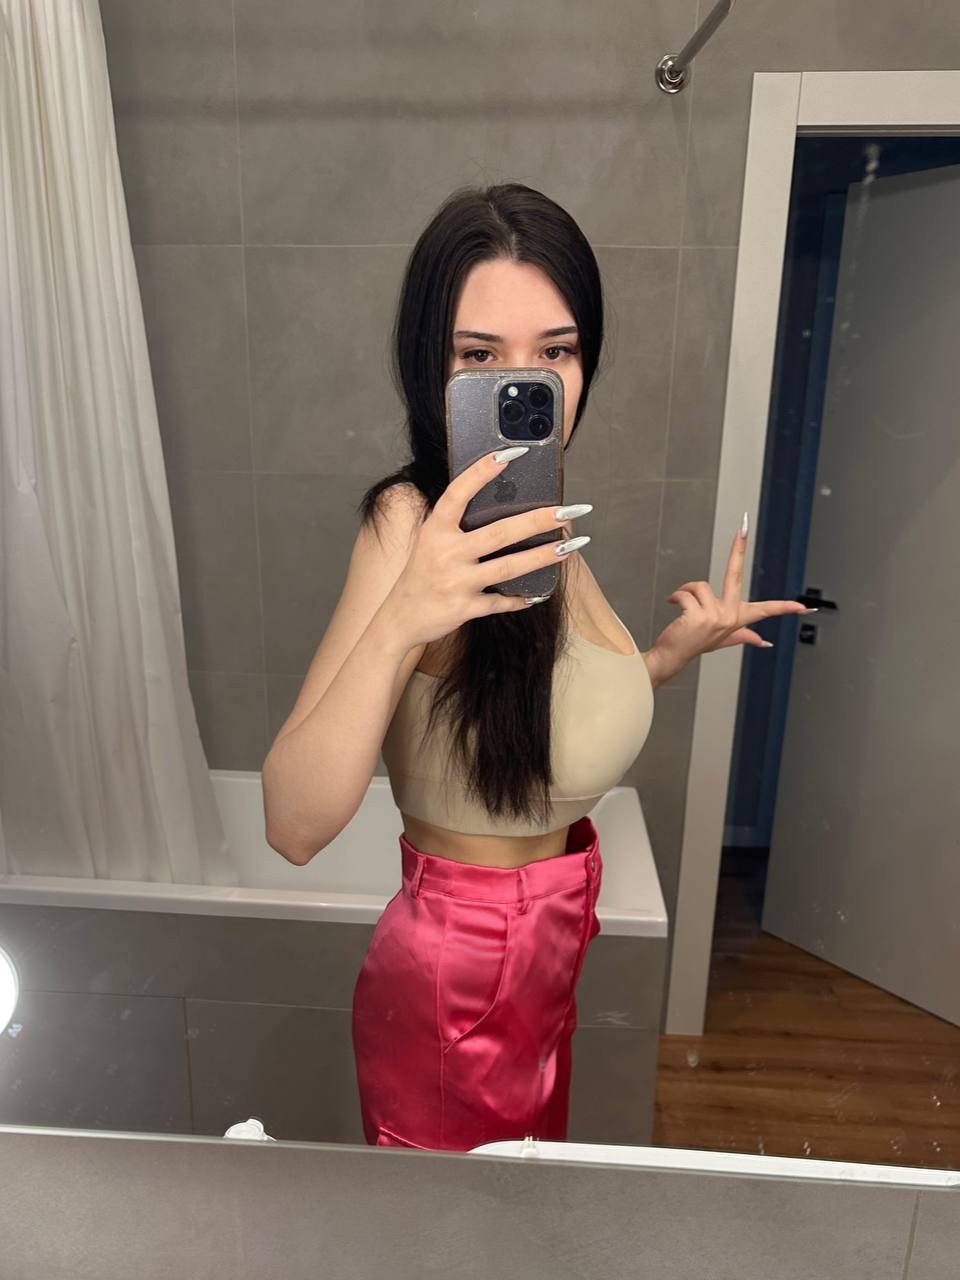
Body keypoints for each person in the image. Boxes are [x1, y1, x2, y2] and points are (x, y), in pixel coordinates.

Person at [260, 183, 811, 1152]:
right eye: (480, 356)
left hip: (544, 956)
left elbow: (539, 717)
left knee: (520, 1211)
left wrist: (665, 656)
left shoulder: (543, 523)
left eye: (555, 350)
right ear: (430, 362)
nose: (527, 384)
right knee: (459, 1228)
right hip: (456, 986)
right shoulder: (410, 524)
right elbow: (292, 825)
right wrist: (402, 617)